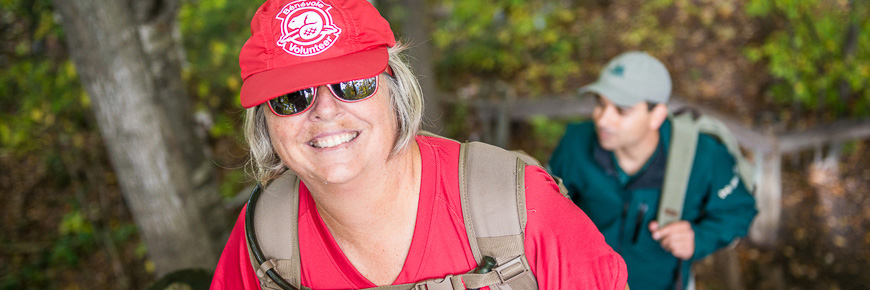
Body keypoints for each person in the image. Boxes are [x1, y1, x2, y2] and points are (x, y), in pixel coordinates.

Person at [210, 0, 628, 289]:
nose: (323, 111)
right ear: (264, 122)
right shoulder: (265, 236)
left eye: (351, 85)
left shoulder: (519, 208)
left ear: (395, 89)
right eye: (291, 97)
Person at [548, 51, 757, 290]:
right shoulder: (575, 142)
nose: (603, 119)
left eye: (622, 110)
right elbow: (548, 206)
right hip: (580, 283)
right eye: (600, 103)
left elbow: (739, 210)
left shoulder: (703, 156)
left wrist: (698, 238)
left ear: (656, 115)